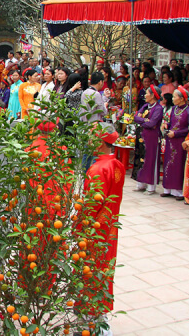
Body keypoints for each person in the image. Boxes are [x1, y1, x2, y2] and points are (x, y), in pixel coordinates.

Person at [83, 124, 126, 328]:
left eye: (92, 138)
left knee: (90, 269)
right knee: (104, 268)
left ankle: (92, 321)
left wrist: (78, 226)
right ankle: (100, 317)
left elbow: (91, 205)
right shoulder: (117, 164)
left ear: (100, 142)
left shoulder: (97, 169)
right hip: (109, 226)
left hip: (94, 229)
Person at [162, 87, 189, 199]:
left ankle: (178, 191)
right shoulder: (173, 109)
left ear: (181, 98)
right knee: (168, 163)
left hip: (180, 141)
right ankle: (167, 188)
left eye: (175, 96)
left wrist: (176, 133)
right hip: (171, 140)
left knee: (178, 164)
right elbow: (171, 123)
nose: (173, 98)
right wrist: (167, 127)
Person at [133, 85, 163, 194]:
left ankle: (150, 186)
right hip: (142, 135)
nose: (145, 95)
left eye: (147, 93)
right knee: (141, 158)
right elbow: (136, 117)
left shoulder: (158, 109)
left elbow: (152, 123)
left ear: (153, 95)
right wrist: (144, 119)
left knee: (150, 159)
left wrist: (143, 120)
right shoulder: (146, 106)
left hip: (152, 138)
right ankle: (141, 183)